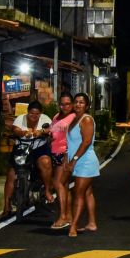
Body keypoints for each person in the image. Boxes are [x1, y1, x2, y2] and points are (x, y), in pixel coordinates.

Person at [0, 99, 53, 218]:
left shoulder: (45, 119)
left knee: (46, 162)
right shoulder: (20, 119)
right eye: (31, 113)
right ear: (27, 112)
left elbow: (50, 129)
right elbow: (15, 129)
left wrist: (41, 132)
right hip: (22, 148)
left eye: (36, 114)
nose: (34, 116)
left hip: (38, 148)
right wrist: (23, 132)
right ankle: (6, 206)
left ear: (40, 113)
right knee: (11, 175)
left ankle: (48, 191)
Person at [66, 92, 100, 237]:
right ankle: (92, 223)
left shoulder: (86, 120)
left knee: (78, 194)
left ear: (87, 105)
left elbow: (86, 142)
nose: (78, 105)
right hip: (79, 160)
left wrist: (73, 160)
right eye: (76, 102)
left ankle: (73, 226)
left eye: (81, 102)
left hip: (85, 161)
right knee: (87, 192)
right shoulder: (74, 119)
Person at [48, 92, 76, 230]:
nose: (64, 106)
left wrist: (67, 155)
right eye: (62, 104)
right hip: (54, 152)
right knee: (63, 186)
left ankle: (62, 216)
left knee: (58, 184)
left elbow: (74, 137)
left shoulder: (73, 118)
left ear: (72, 105)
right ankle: (68, 215)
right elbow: (54, 134)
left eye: (67, 104)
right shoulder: (56, 117)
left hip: (65, 153)